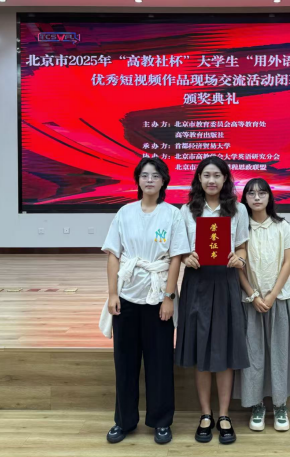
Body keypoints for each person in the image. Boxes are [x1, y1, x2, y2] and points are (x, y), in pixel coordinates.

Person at [100, 157, 190, 445]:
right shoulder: (124, 213)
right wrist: (113, 294)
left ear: (164, 181)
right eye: (144, 175)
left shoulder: (172, 214)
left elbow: (176, 258)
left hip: (157, 297)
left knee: (159, 363)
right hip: (126, 296)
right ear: (138, 180)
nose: (149, 180)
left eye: (155, 175)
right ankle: (124, 421)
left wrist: (168, 297)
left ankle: (161, 421)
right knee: (125, 363)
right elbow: (113, 254)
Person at [175, 156, 250, 445]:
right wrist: (187, 257)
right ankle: (205, 414)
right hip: (197, 282)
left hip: (227, 281)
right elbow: (180, 248)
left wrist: (239, 258)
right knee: (201, 347)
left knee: (225, 348)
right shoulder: (187, 210)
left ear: (225, 179)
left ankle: (224, 415)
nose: (211, 180)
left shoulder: (238, 210)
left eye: (217, 175)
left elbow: (242, 247)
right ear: (199, 178)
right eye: (206, 175)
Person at [233, 177, 290, 432]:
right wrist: (253, 295)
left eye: (262, 193)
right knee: (254, 355)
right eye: (251, 193)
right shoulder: (241, 229)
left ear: (269, 197)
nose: (257, 197)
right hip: (249, 302)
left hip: (279, 301)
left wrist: (272, 295)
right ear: (244, 198)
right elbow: (238, 267)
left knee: (280, 353)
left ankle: (281, 404)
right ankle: (257, 404)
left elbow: (288, 263)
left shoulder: (282, 226)